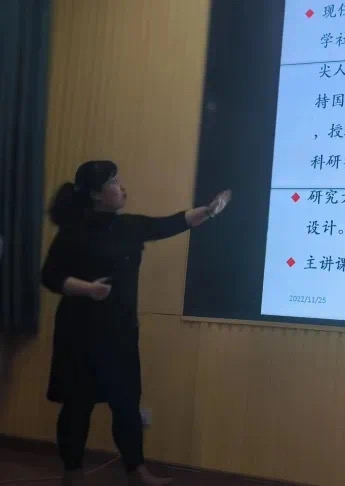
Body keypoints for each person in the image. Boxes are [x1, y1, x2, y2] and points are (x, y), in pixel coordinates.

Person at [41, 160, 230, 486]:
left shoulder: (129, 226)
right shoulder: (73, 231)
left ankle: (136, 470)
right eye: (114, 182)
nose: (122, 187)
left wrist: (210, 211)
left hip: (121, 332)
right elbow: (50, 276)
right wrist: (87, 289)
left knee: (127, 403)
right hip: (79, 333)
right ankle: (72, 473)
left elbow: (172, 223)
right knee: (77, 405)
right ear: (96, 194)